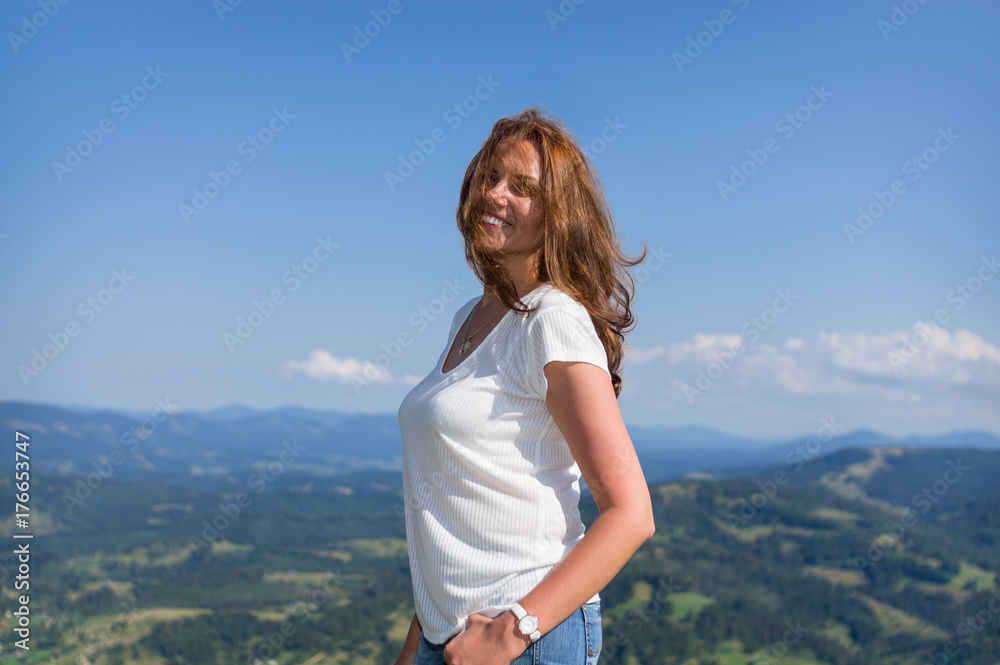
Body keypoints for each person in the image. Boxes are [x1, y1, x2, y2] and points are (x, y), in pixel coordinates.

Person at [394, 106, 654, 665]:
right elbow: (453, 502)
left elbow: (631, 513)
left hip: (524, 638)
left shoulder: (552, 318)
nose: (494, 194)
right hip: (454, 639)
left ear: (558, 215)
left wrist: (511, 634)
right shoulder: (473, 315)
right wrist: (420, 642)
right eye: (489, 176)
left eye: (522, 187)